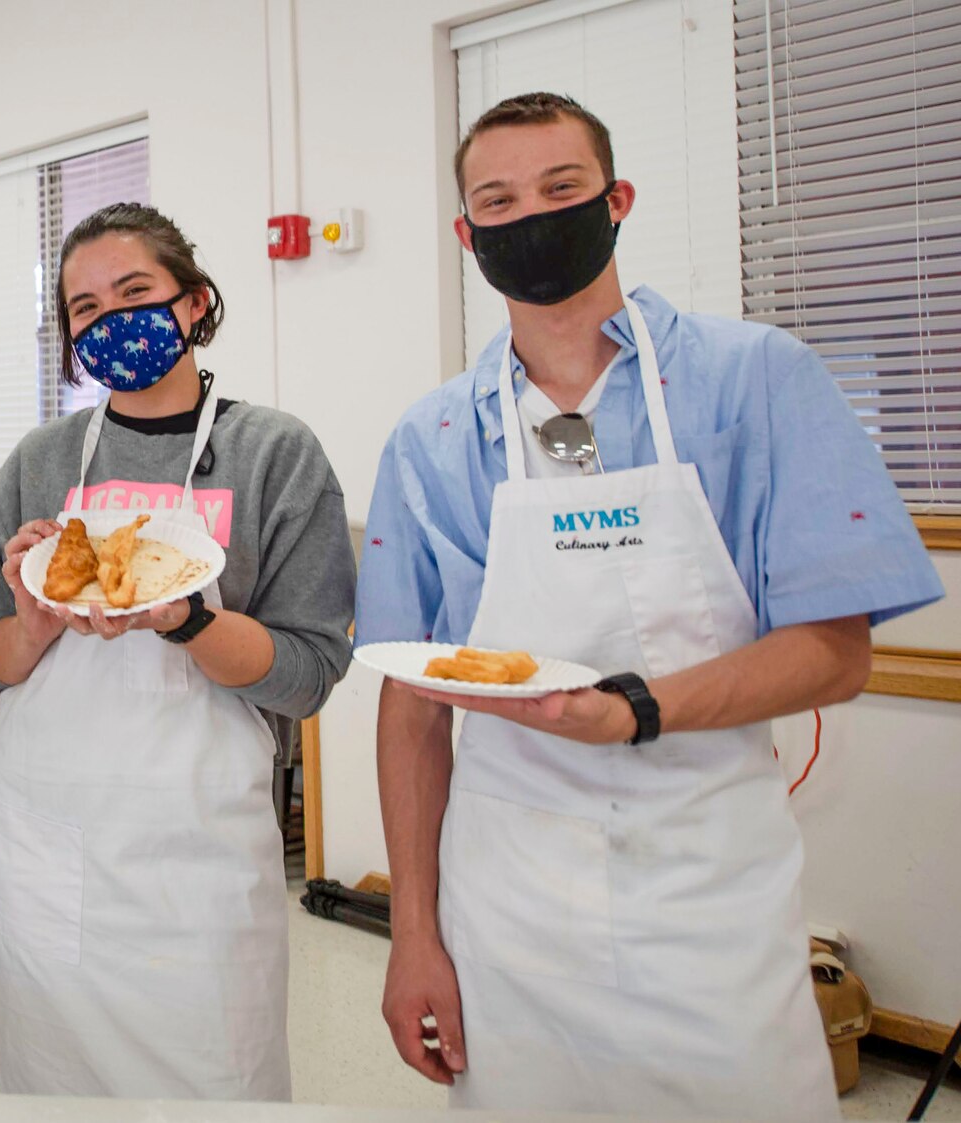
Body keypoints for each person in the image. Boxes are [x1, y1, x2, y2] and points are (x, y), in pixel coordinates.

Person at [359, 92, 944, 1117]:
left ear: (615, 200)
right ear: (466, 234)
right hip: (506, 895)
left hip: (705, 884)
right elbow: (412, 701)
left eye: (560, 189)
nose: (527, 216)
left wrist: (632, 708)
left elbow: (830, 654)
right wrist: (413, 932)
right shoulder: (433, 438)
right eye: (495, 200)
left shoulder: (751, 381)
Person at [0, 203, 356, 1101]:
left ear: (195, 302)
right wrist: (36, 620)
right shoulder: (39, 458)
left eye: (135, 293)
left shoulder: (274, 455)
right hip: (42, 852)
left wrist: (188, 621)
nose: (111, 321)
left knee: (216, 1081)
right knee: (48, 1082)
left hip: (199, 864)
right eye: (85, 309)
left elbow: (308, 676)